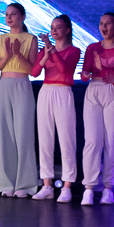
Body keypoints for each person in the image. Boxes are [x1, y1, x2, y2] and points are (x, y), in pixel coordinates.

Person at [0, 4, 40, 198]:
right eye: (7, 14)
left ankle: (25, 185)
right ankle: (6, 183)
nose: (9, 18)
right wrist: (8, 56)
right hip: (3, 85)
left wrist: (18, 54)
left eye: (13, 14)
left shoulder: (31, 39)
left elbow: (33, 71)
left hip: (22, 85)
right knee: (4, 135)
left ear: (23, 17)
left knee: (23, 134)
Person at [79, 13, 114, 206]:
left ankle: (108, 187)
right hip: (94, 90)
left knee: (112, 141)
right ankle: (89, 187)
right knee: (92, 140)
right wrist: (85, 74)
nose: (104, 27)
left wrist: (104, 68)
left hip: (113, 91)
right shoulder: (92, 47)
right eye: (101, 24)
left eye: (108, 24)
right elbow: (85, 74)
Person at [35, 15, 80, 202]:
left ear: (67, 30)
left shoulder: (74, 51)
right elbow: (35, 72)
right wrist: (46, 53)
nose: (53, 31)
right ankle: (47, 184)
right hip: (46, 91)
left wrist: (51, 49)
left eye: (58, 27)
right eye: (52, 27)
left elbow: (64, 69)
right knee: (45, 139)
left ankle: (67, 186)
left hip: (63, 91)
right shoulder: (45, 49)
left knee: (66, 139)